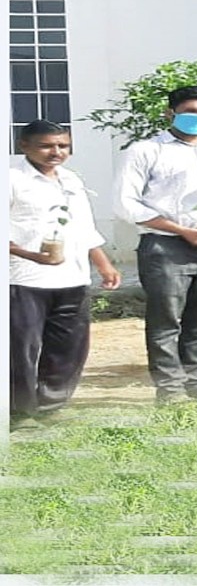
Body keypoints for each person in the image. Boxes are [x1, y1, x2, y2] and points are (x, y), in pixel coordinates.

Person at [117, 85, 197, 404]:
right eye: (191, 111)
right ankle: (170, 389)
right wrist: (180, 230)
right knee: (166, 319)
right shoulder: (146, 151)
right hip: (166, 247)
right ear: (170, 113)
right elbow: (127, 204)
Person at [10, 121, 120, 428]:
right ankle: (19, 412)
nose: (56, 152)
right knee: (21, 348)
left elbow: (83, 227)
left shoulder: (70, 180)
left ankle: (52, 404)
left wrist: (103, 263)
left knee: (69, 346)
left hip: (72, 278)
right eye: (46, 145)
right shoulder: (12, 180)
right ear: (24, 146)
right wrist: (31, 255)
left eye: (63, 146)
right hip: (24, 280)